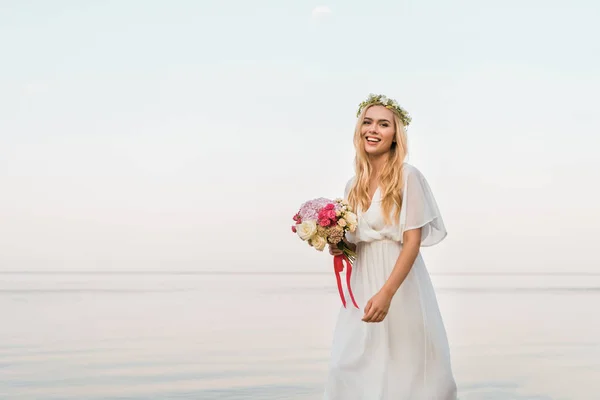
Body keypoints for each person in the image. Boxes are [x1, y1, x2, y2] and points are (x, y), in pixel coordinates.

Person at [323, 94, 458, 399]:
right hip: (362, 285)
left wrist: (387, 293)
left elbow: (412, 242)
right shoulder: (352, 185)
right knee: (347, 366)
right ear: (359, 130)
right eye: (368, 122)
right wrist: (338, 244)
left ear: (396, 135)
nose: (374, 129)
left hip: (400, 285)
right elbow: (361, 245)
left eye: (384, 124)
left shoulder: (407, 177)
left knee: (405, 369)